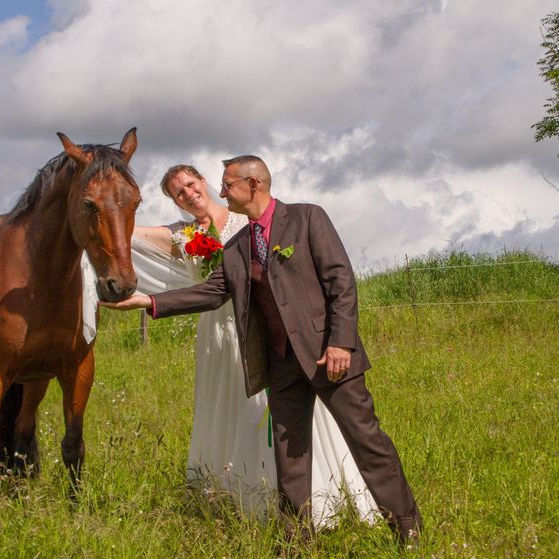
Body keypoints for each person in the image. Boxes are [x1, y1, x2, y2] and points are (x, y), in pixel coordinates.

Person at [101, 158, 421, 544]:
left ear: (252, 184)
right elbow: (211, 291)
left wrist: (340, 342)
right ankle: (298, 540)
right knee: (290, 458)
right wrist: (147, 302)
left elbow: (341, 282)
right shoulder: (237, 247)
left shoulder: (307, 219)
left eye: (227, 185)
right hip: (280, 364)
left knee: (367, 441)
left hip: (328, 357)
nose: (220, 193)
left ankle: (407, 527)